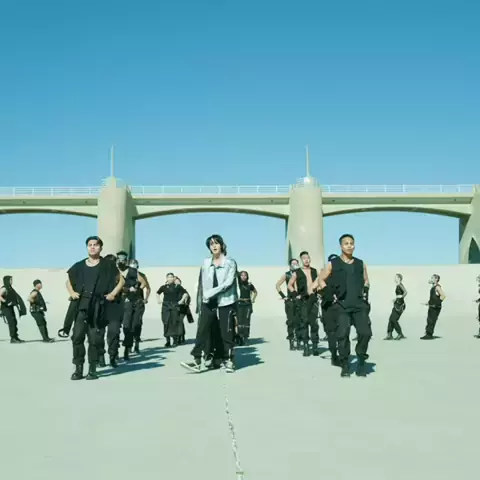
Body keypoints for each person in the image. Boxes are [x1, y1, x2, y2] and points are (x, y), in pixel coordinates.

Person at [66, 236, 124, 380]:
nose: (92, 247)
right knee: (77, 337)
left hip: (98, 306)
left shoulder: (108, 265)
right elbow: (68, 281)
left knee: (94, 339)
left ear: (100, 248)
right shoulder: (79, 265)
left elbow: (121, 280)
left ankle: (92, 369)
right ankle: (78, 369)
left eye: (95, 245)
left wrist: (113, 294)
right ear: (87, 247)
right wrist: (72, 292)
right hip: (82, 305)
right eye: (90, 245)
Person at [181, 234, 238, 373]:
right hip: (208, 301)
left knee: (226, 331)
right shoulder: (206, 263)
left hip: (225, 300)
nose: (214, 246)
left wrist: (211, 292)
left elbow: (228, 283)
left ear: (222, 245)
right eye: (211, 244)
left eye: (216, 243)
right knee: (202, 330)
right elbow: (202, 283)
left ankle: (229, 360)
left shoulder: (230, 262)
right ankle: (196, 360)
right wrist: (200, 301)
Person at [319, 234, 372, 377]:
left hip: (359, 305)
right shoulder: (333, 264)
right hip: (342, 306)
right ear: (341, 246)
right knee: (342, 335)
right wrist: (329, 294)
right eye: (346, 243)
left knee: (365, 333)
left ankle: (361, 359)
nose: (349, 246)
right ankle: (345, 364)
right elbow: (321, 279)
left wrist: (365, 289)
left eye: (351, 243)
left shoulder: (360, 263)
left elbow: (366, 280)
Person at [287, 251, 320, 357]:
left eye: (308, 258)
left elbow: (319, 283)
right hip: (303, 300)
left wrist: (319, 293)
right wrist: (295, 294)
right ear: (301, 260)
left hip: (313, 299)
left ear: (310, 259)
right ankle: (306, 345)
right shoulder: (297, 272)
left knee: (314, 323)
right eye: (304, 258)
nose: (306, 260)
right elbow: (290, 285)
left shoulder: (314, 271)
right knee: (304, 322)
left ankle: (315, 345)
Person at [116, 252, 147, 359]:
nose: (121, 261)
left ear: (126, 261)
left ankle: (129, 346)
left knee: (132, 325)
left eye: (123, 259)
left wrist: (136, 290)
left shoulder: (132, 271)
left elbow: (144, 283)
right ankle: (119, 349)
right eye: (119, 259)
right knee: (123, 326)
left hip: (133, 301)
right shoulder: (114, 271)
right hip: (119, 302)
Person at [318, 254, 340, 366]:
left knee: (342, 332)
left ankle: (342, 355)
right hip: (328, 308)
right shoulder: (323, 277)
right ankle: (334, 355)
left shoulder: (343, 276)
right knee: (331, 333)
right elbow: (314, 288)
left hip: (341, 308)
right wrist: (323, 292)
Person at [157, 273, 188, 347]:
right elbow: (157, 293)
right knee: (166, 322)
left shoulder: (178, 286)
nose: (170, 278)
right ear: (166, 278)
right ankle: (167, 340)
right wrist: (158, 300)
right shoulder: (163, 287)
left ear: (173, 278)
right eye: (169, 277)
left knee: (174, 322)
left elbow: (185, 294)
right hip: (165, 306)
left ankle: (175, 340)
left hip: (174, 305)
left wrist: (181, 300)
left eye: (171, 277)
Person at [275, 258, 300, 350]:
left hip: (299, 299)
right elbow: (277, 285)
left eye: (296, 263)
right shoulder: (287, 274)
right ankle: (291, 339)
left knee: (299, 320)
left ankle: (299, 339)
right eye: (293, 263)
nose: (295, 265)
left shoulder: (301, 273)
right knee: (291, 320)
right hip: (290, 300)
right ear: (290, 265)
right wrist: (283, 295)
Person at [0, 275, 26, 343]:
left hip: (10, 308)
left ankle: (15, 337)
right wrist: (5, 302)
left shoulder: (10, 288)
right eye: (10, 280)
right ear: (7, 281)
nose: (12, 281)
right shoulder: (4, 288)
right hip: (5, 308)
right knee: (11, 322)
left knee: (14, 322)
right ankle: (13, 338)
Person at [420, 274, 446, 340]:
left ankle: (429, 335)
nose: (430, 279)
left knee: (431, 320)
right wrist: (428, 303)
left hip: (435, 307)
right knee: (429, 320)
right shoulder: (433, 287)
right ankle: (428, 334)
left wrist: (436, 304)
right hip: (432, 306)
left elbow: (443, 296)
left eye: (432, 278)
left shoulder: (437, 287)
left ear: (436, 279)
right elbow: (433, 298)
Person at [236, 271, 257, 345]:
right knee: (240, 321)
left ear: (247, 276)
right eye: (242, 275)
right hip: (239, 304)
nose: (243, 277)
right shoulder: (238, 285)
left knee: (246, 321)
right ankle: (240, 337)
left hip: (248, 304)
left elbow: (255, 292)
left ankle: (246, 337)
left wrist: (253, 299)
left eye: (245, 275)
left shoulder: (249, 285)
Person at [132, 260, 151, 347]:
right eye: (131, 264)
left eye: (134, 264)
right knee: (128, 322)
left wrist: (146, 299)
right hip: (128, 302)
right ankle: (130, 338)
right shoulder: (125, 275)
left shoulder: (142, 275)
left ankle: (137, 337)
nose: (133, 266)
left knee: (137, 321)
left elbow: (148, 288)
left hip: (139, 301)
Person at [384, 274, 407, 340]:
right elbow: (399, 295)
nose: (394, 278)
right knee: (391, 319)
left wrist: (400, 298)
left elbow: (405, 292)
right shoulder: (398, 285)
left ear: (399, 278)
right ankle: (389, 334)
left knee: (393, 319)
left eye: (396, 277)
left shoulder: (400, 285)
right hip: (397, 304)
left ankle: (400, 334)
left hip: (400, 305)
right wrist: (396, 299)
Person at [174, 276, 194, 344]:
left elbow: (188, 296)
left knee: (179, 321)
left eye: (178, 280)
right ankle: (181, 336)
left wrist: (184, 301)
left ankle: (180, 337)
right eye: (176, 280)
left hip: (183, 308)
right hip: (176, 308)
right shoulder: (174, 289)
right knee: (179, 322)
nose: (177, 281)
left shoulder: (182, 289)